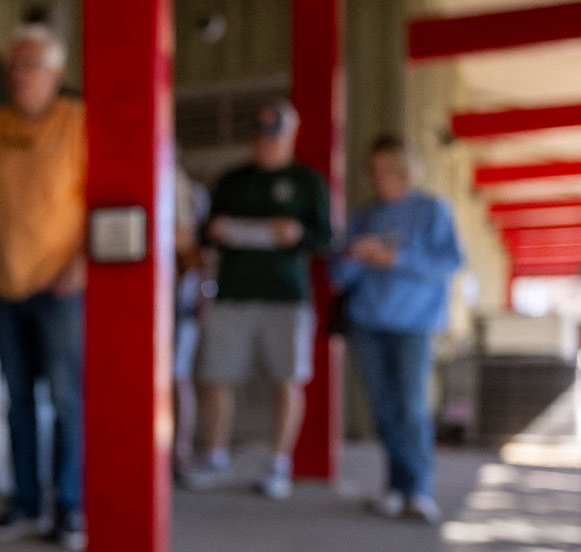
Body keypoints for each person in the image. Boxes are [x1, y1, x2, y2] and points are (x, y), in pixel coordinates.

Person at [0, 24, 87, 550]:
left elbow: (100, 201)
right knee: (16, 401)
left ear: (57, 74)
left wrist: (81, 263)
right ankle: (23, 504)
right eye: (14, 64)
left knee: (66, 399)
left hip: (61, 286)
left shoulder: (79, 123)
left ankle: (69, 506)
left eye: (31, 64)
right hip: (6, 283)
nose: (19, 74)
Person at [189, 100, 332, 499]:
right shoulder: (232, 180)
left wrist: (298, 235)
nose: (264, 145)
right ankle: (215, 455)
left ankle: (277, 463)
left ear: (289, 137)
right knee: (216, 376)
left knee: (286, 379)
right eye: (259, 136)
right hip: (232, 292)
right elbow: (204, 234)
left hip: (286, 295)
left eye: (272, 137)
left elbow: (326, 239)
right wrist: (212, 230)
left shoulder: (307, 183)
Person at [332, 134, 463, 523]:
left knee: (411, 407)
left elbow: (448, 262)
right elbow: (338, 275)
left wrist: (395, 257)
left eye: (387, 170)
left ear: (406, 169)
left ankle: (418, 490)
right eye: (372, 171)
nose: (379, 178)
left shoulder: (432, 209)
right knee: (383, 409)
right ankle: (395, 485)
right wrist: (358, 255)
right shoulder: (364, 216)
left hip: (414, 325)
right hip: (368, 323)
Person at [173, 165, 212, 474]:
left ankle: (181, 450)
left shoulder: (189, 189)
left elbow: (190, 245)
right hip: (150, 299)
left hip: (182, 302)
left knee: (178, 375)